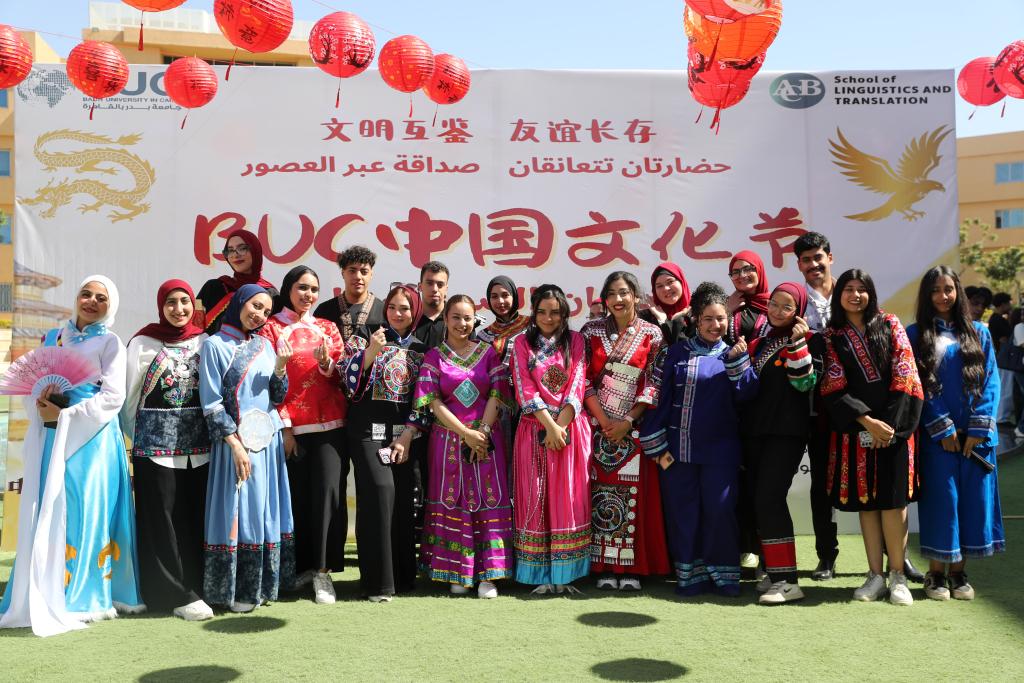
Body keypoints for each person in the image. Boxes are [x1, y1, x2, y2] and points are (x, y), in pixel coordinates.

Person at [0, 276, 144, 636]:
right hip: (54, 434)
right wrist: (42, 402)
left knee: (85, 508)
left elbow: (112, 397)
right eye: (86, 294)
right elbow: (34, 385)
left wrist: (67, 415)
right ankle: (48, 583)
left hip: (93, 438)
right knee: (52, 505)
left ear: (110, 306)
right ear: (76, 297)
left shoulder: (110, 342)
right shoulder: (53, 338)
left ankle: (86, 594)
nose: (92, 301)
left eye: (101, 298)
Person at [640, 282, 757, 597]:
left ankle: (724, 577)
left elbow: (748, 397)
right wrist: (658, 448)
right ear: (694, 318)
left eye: (721, 318)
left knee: (720, 512)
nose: (715, 325)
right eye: (708, 318)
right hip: (678, 454)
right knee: (684, 514)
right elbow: (658, 399)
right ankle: (690, 577)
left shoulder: (733, 353)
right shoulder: (675, 353)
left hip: (721, 453)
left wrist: (738, 363)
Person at [820, 269, 923, 606]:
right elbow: (833, 383)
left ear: (871, 293)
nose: (855, 295)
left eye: (861, 289)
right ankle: (875, 575)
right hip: (857, 431)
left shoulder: (890, 324)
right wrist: (867, 422)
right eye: (848, 289)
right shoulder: (831, 336)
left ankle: (897, 576)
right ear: (839, 295)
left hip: (894, 429)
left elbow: (905, 372)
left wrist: (888, 426)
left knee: (894, 503)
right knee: (867, 503)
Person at [908, 266, 1004, 601]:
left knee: (973, 503)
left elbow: (991, 381)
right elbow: (917, 383)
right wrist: (942, 427)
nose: (943, 296)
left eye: (948, 289)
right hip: (939, 439)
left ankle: (959, 573)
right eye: (935, 290)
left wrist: (978, 427)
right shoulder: (915, 334)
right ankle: (935, 574)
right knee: (942, 502)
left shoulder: (980, 332)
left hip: (977, 439)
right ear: (926, 295)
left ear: (958, 291)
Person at [199, 285, 294, 613]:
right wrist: (235, 445)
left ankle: (262, 587)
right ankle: (236, 591)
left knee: (263, 514)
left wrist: (281, 367)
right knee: (239, 513)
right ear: (239, 302)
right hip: (236, 445)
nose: (259, 315)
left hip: (267, 445)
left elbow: (276, 397)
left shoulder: (265, 345)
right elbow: (211, 404)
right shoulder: (214, 345)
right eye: (255, 306)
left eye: (266, 311)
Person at [121, 280, 212, 621]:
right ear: (161, 306)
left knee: (194, 518)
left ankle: (198, 586)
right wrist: (141, 437)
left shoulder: (204, 340)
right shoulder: (142, 342)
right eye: (171, 302)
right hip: (155, 449)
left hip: (200, 450)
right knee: (161, 521)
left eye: (184, 302)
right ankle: (171, 593)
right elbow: (128, 398)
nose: (178, 309)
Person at [413, 294, 513, 598]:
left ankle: (488, 576)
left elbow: (497, 393)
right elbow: (432, 402)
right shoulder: (434, 356)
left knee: (487, 500)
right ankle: (457, 571)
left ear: (474, 320)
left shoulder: (488, 353)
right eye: (455, 317)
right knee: (452, 501)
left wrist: (482, 431)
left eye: (467, 317)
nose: (462, 323)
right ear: (445, 319)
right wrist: (464, 433)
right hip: (448, 442)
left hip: (486, 440)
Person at [259, 266, 347, 605]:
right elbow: (266, 382)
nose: (308, 295)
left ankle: (322, 572)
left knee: (326, 498)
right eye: (301, 287)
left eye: (313, 289)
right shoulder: (271, 328)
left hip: (330, 426)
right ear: (288, 289)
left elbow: (342, 378)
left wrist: (327, 364)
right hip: (289, 429)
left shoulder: (327, 327)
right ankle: (295, 569)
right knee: (293, 500)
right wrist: (285, 428)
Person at [581, 271, 669, 591]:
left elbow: (655, 380)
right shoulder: (590, 331)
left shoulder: (652, 333)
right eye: (612, 294)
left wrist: (628, 420)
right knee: (600, 495)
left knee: (633, 498)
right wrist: (604, 421)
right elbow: (582, 378)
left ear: (635, 296)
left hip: (633, 429)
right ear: (604, 299)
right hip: (598, 428)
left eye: (624, 293)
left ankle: (631, 568)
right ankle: (603, 567)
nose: (618, 299)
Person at [341, 285, 427, 602]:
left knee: (402, 503)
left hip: (404, 437)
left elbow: (426, 397)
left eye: (405, 308)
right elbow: (344, 378)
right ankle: (377, 583)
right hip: (368, 434)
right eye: (392, 307)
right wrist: (370, 354)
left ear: (415, 312)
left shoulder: (421, 348)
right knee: (380, 492)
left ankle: (401, 578)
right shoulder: (367, 336)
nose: (397, 314)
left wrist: (408, 434)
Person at [508, 285, 592, 593]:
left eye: (554, 312)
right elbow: (523, 387)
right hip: (534, 428)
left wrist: (560, 427)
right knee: (535, 497)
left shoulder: (576, 341)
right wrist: (550, 426)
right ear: (533, 312)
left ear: (564, 313)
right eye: (541, 311)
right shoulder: (521, 343)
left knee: (568, 498)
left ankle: (565, 575)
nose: (547, 318)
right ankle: (538, 575)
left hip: (569, 430)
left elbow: (578, 383)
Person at [743, 282, 821, 605]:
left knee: (770, 498)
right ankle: (775, 572)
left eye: (787, 307)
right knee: (760, 501)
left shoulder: (810, 341)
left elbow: (804, 383)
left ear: (798, 311)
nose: (777, 311)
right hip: (757, 433)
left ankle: (788, 581)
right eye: (774, 303)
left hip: (786, 433)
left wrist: (798, 342)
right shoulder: (760, 342)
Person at [793, 232, 840, 580]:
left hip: (853, 407)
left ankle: (892, 558)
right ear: (799, 265)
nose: (813, 264)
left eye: (818, 257)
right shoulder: (794, 301)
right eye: (806, 260)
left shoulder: (851, 293)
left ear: (830, 258)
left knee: (873, 479)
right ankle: (827, 556)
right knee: (821, 485)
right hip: (810, 408)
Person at [196, 229, 277, 334]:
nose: (235, 255)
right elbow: (193, 323)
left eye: (242, 248)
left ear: (255, 251)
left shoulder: (271, 294)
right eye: (230, 250)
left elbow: (274, 333)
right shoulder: (213, 287)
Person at [313, 245, 385, 342]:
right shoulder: (324, 310)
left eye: (364, 272)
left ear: (371, 274)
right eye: (352, 271)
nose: (358, 276)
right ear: (343, 273)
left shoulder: (384, 311)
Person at [639, 261, 692, 345]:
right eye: (659, 286)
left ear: (681, 282)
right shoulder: (646, 318)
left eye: (670, 282)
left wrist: (669, 321)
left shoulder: (698, 312)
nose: (666, 289)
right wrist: (661, 319)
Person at [726, 250, 770, 344]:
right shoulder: (725, 303)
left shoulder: (774, 304)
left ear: (759, 270)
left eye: (747, 269)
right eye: (735, 272)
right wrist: (726, 310)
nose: (742, 275)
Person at [989, 293, 1017, 424]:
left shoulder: (995, 318)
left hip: (1001, 358)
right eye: (1008, 303)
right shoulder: (998, 320)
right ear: (1003, 304)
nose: (1010, 306)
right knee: (1006, 388)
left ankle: (1001, 416)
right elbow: (1003, 339)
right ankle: (1002, 417)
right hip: (1004, 359)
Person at [413, 261, 450, 349]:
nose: (434, 289)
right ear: (420, 287)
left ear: (446, 289)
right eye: (429, 283)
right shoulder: (409, 317)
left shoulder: (457, 319)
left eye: (440, 284)